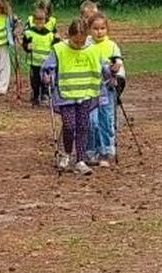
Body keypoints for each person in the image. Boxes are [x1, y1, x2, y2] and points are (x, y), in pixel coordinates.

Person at [42, 19, 110, 176]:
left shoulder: (93, 49)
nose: (79, 45)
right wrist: (47, 76)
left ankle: (80, 160)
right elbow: (48, 67)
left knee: (83, 126)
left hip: (86, 93)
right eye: (75, 41)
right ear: (69, 36)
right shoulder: (59, 49)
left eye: (82, 41)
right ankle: (66, 154)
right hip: (66, 94)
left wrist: (112, 71)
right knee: (69, 125)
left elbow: (104, 66)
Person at [85, 12, 124, 166]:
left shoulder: (112, 45)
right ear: (89, 29)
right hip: (89, 88)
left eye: (102, 28)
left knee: (106, 120)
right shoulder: (86, 45)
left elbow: (118, 62)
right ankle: (90, 151)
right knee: (91, 121)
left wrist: (116, 69)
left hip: (107, 89)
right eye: (95, 29)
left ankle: (105, 152)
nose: (99, 32)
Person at [22, 2, 59, 106]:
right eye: (37, 22)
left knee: (45, 80)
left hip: (45, 62)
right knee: (35, 80)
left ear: (45, 21)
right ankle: (35, 95)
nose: (39, 24)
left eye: (41, 21)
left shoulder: (49, 34)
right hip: (34, 62)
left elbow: (55, 45)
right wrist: (27, 47)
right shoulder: (29, 33)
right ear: (34, 21)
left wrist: (57, 39)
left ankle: (44, 94)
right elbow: (25, 44)